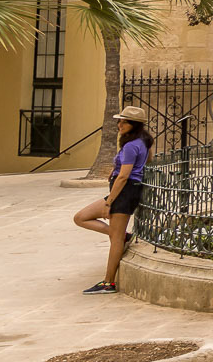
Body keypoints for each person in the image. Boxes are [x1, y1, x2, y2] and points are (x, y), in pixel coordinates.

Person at [73, 106, 153, 294]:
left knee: (115, 239)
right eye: (120, 121)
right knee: (81, 217)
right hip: (126, 189)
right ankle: (124, 236)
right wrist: (119, 168)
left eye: (124, 122)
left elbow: (124, 177)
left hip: (124, 191)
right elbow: (147, 159)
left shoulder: (132, 145)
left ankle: (108, 282)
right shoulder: (142, 141)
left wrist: (109, 203)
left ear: (134, 124)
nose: (120, 124)